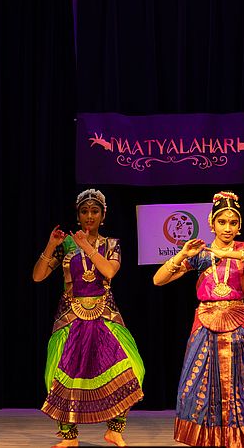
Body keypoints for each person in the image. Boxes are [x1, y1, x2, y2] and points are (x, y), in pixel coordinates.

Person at [153, 191, 244, 448]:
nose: (228, 228)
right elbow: (159, 279)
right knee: (201, 387)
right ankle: (212, 440)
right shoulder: (200, 255)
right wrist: (183, 254)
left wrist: (229, 254)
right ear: (212, 223)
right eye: (222, 222)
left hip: (238, 323)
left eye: (233, 222)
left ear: (239, 225)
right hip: (205, 324)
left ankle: (241, 438)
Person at [32, 189, 144, 448]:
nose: (89, 216)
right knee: (61, 374)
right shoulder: (65, 246)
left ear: (103, 216)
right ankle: (69, 436)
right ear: (79, 215)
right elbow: (38, 277)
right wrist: (51, 245)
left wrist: (86, 246)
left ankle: (115, 429)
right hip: (71, 316)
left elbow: (109, 271)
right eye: (85, 211)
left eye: (95, 211)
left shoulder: (111, 245)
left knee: (132, 368)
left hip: (105, 315)